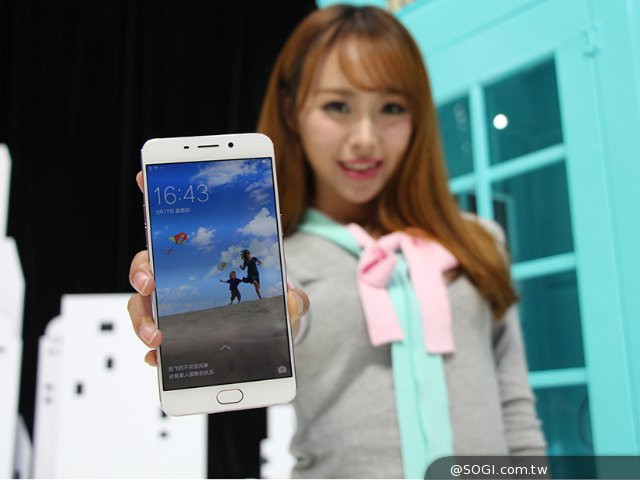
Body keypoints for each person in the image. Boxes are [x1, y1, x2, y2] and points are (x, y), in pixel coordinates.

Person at [128, 5, 546, 478]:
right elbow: (291, 317)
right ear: (292, 111)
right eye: (338, 106)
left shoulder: (479, 242)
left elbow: (516, 409)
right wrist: (219, 304)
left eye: (392, 108)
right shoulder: (283, 258)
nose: (365, 138)